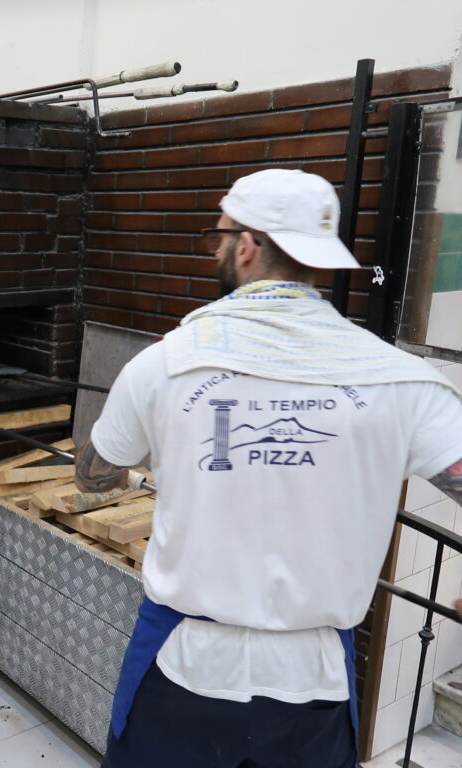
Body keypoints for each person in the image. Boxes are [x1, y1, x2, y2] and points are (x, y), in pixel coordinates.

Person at [77, 169, 462, 768]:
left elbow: (94, 476)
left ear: (247, 245)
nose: (217, 248)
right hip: (313, 684)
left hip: (182, 666)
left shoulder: (164, 365)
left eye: (219, 236)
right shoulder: (403, 381)